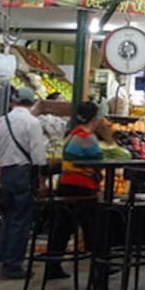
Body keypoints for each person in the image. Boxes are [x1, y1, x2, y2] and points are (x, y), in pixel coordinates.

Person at [0, 86, 48, 279]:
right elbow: (39, 156)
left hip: (6, 175)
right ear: (31, 103)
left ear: (13, 102)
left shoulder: (1, 122)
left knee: (7, 218)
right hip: (24, 174)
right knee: (21, 222)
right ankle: (12, 266)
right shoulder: (32, 123)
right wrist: (41, 180)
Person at [45, 101, 103, 280]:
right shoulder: (86, 137)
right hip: (82, 187)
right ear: (95, 118)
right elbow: (98, 162)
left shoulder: (72, 134)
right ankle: (100, 267)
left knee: (62, 228)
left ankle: (52, 265)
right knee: (93, 226)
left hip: (65, 185)